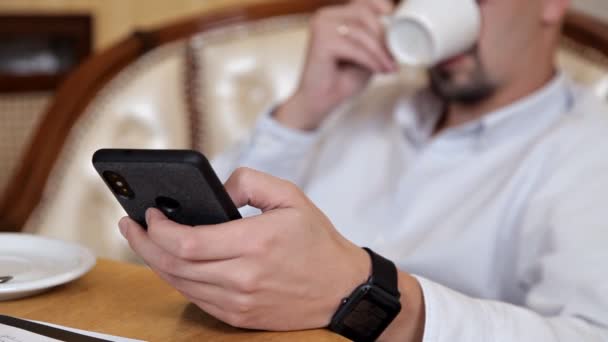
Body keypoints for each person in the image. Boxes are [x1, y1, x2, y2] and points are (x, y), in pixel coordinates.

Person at [117, 0, 608, 340]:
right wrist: (307, 107)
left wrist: (378, 297)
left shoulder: (589, 147)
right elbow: (202, 248)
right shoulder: (357, 107)